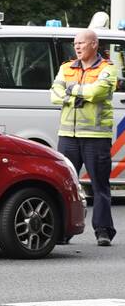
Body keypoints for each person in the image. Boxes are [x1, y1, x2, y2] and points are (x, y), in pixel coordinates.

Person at [50, 29, 119, 246]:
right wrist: (77, 96)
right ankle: (63, 231)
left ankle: (103, 231)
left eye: (81, 43)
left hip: (95, 136)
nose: (77, 47)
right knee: (62, 184)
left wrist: (71, 91)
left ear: (94, 44)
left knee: (100, 186)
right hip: (68, 136)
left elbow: (97, 93)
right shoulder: (66, 67)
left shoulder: (107, 68)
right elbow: (54, 95)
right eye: (75, 43)